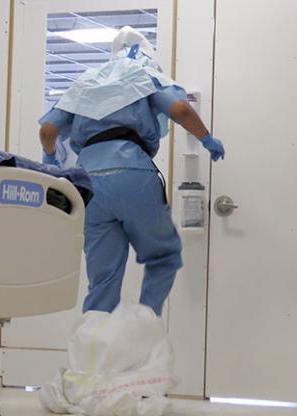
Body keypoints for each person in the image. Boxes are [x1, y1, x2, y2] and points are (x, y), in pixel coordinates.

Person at [38, 26, 224, 316]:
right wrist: (207, 139)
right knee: (162, 257)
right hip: (132, 172)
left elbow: (48, 129)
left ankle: (94, 354)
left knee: (102, 281)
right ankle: (143, 327)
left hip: (88, 183)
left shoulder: (86, 81)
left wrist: (50, 158)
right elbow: (182, 110)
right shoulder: (144, 74)